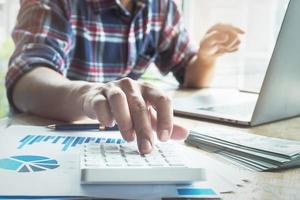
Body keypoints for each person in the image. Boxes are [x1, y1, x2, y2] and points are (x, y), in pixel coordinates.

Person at [5, 0, 243, 154]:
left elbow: (190, 76)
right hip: (46, 141)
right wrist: (90, 94)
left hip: (117, 139)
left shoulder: (160, 7)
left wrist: (205, 58)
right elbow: (27, 80)